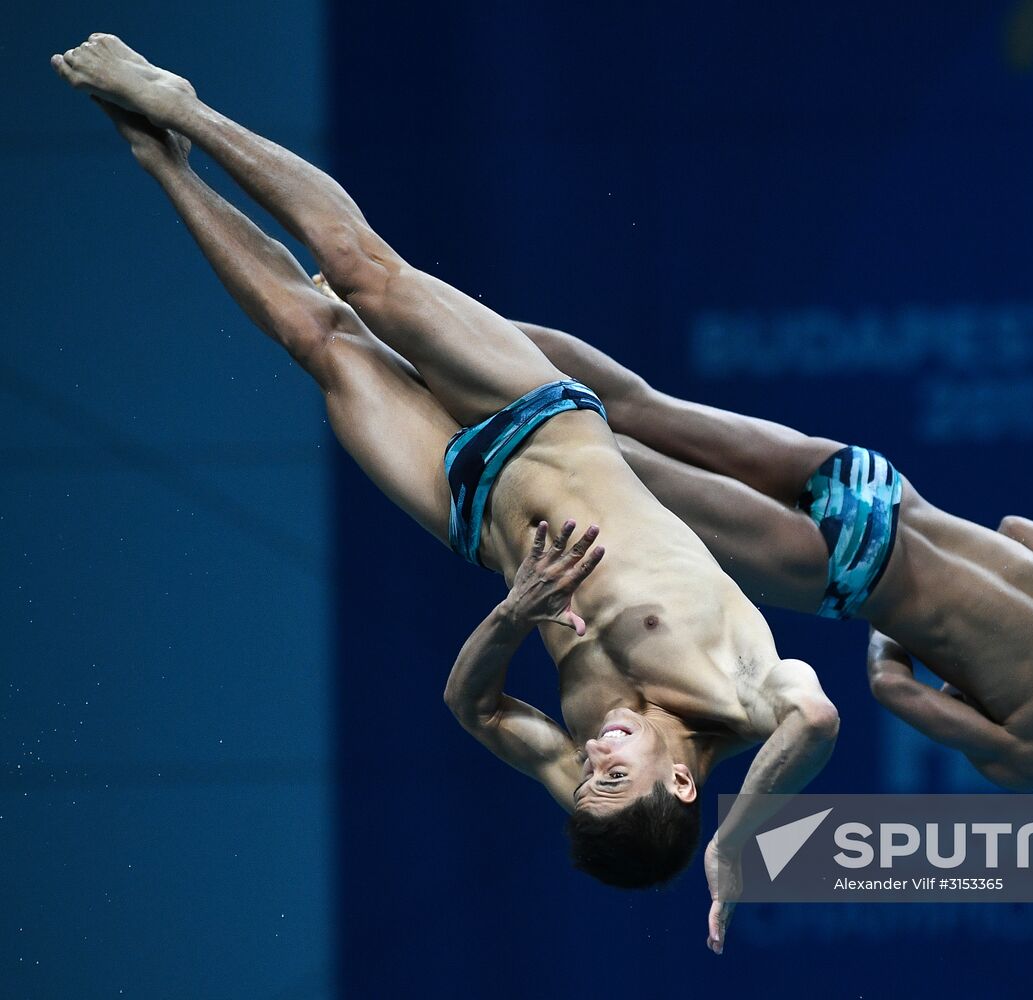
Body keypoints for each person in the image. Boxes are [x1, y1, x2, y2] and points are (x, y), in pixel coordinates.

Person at [51, 34, 839, 951]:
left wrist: (515, 616)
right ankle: (181, 103)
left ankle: (162, 161)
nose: (595, 757)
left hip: (466, 508)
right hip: (542, 421)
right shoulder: (746, 697)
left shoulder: (579, 761)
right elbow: (817, 718)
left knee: (319, 342)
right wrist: (738, 842)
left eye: (588, 776)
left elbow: (478, 710)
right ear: (681, 783)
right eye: (613, 772)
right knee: (361, 274)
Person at [515, 321, 1033, 794]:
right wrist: (900, 628)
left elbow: (1015, 527)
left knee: (640, 405)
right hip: (852, 569)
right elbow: (894, 690)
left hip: (881, 487)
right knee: (613, 464)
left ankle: (452, 318)